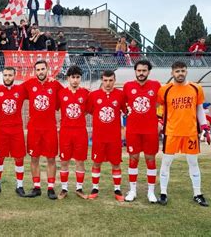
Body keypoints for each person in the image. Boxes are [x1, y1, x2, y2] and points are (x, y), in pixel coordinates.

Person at [157, 61, 210, 207]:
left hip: (191, 132)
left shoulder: (196, 88)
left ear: (186, 71)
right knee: (166, 162)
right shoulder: (165, 90)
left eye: (182, 70)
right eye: (177, 71)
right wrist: (159, 122)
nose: (180, 73)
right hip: (171, 132)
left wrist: (204, 126)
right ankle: (163, 193)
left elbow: (199, 109)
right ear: (172, 73)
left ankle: (198, 194)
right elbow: (160, 108)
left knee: (193, 162)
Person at [122, 60, 161, 203]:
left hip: (150, 130)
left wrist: (160, 121)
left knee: (150, 159)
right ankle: (132, 190)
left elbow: (161, 104)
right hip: (133, 130)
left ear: (149, 72)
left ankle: (151, 192)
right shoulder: (128, 86)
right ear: (135, 71)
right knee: (133, 159)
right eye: (139, 71)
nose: (141, 73)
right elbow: (123, 105)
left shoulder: (156, 85)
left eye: (144, 71)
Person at [24, 60, 62, 200]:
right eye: (38, 69)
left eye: (42, 69)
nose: (40, 72)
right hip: (34, 129)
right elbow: (14, 92)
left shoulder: (55, 85)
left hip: (50, 128)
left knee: (51, 158)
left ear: (48, 69)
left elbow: (67, 98)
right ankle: (37, 187)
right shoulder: (29, 84)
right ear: (35, 71)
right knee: (34, 158)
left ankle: (51, 188)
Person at [86, 70, 126, 201]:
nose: (108, 83)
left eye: (110, 80)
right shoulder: (93, 95)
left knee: (116, 164)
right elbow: (91, 111)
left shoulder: (121, 95)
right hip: (98, 137)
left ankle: (117, 189)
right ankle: (95, 187)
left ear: (114, 81)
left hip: (114, 137)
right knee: (97, 162)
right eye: (105, 80)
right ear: (102, 81)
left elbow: (126, 111)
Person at [0, 67, 28, 198]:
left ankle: (20, 185)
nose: (7, 77)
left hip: (16, 129)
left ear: (14, 76)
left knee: (19, 157)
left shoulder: (21, 89)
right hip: (1, 129)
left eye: (10, 75)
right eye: (5, 75)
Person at [57, 65, 90, 199]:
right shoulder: (61, 93)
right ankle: (64, 189)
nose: (75, 80)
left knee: (80, 161)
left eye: (77, 77)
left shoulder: (86, 93)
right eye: (73, 77)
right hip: (65, 132)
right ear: (68, 78)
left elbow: (87, 110)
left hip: (80, 131)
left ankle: (79, 188)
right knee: (64, 161)